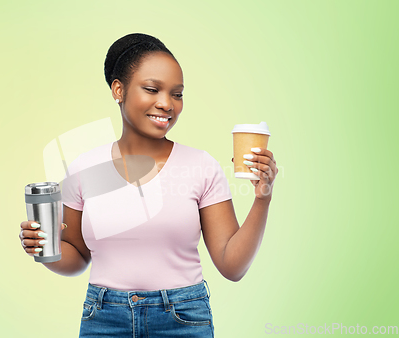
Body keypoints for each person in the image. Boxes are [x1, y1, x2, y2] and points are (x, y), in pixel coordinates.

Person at [19, 33, 278, 337]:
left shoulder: (201, 166)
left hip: (182, 318)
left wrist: (263, 198)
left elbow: (231, 266)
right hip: (104, 318)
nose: (166, 104)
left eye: (177, 94)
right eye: (152, 89)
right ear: (119, 90)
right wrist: (43, 250)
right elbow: (77, 256)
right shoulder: (85, 169)